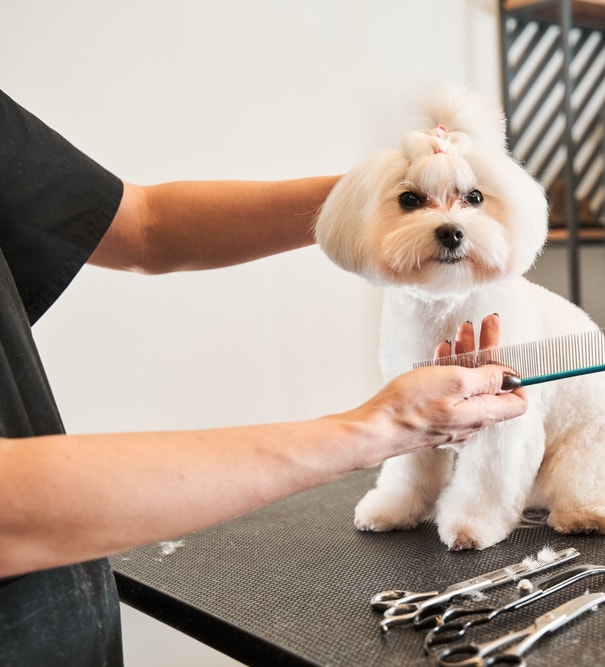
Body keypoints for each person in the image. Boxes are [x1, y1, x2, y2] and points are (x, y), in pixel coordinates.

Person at [0, 88, 527, 665]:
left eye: (473, 200)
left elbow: (143, 225)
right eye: (416, 202)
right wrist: (382, 427)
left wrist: (401, 186)